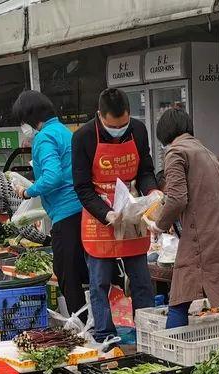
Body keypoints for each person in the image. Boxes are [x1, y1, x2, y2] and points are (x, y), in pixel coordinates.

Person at [71, 88, 161, 341]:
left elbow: (145, 170)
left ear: (130, 115)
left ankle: (147, 333)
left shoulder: (138, 130)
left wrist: (152, 192)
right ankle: (105, 335)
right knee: (99, 282)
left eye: (123, 125)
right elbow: (82, 187)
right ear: (100, 116)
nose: (119, 130)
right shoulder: (83, 138)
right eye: (113, 126)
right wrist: (106, 214)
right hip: (99, 214)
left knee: (141, 279)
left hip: (131, 212)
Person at [151, 109, 219, 328]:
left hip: (203, 236)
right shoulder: (205, 151)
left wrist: (158, 224)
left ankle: (172, 352)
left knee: (179, 298)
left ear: (164, 135)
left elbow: (176, 199)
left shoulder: (176, 152)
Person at [11, 89, 87, 315]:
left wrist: (28, 191)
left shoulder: (44, 137)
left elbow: (52, 176)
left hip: (65, 213)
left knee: (66, 274)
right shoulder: (64, 132)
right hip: (82, 208)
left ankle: (80, 325)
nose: (24, 126)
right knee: (82, 270)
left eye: (23, 121)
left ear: (31, 117)